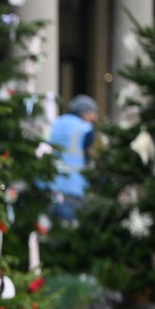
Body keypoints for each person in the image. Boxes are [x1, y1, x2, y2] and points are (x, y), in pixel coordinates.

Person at [48, 94, 99, 222]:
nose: (96, 118)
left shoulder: (57, 122)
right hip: (73, 188)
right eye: (93, 113)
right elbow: (91, 151)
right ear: (84, 113)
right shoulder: (86, 128)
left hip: (51, 185)